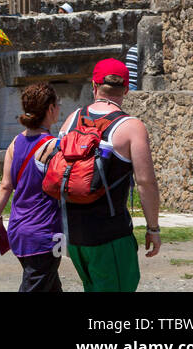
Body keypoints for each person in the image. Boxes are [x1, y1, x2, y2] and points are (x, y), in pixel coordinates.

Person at [58, 59, 161, 292]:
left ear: (94, 86)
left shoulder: (71, 119)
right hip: (110, 235)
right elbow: (146, 182)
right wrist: (153, 229)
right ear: (126, 88)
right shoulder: (131, 127)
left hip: (73, 234)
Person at [0, 83, 63, 291]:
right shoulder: (54, 146)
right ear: (49, 109)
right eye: (57, 104)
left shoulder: (15, 142)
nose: (59, 109)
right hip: (45, 233)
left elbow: (5, 186)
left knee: (50, 285)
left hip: (19, 230)